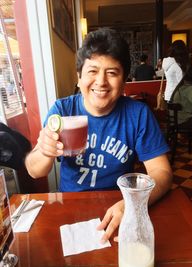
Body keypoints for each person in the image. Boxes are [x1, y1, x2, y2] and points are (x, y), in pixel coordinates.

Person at [25, 28, 172, 243]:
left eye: (112, 73)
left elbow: (162, 173)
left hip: (121, 206)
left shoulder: (137, 114)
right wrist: (45, 152)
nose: (101, 81)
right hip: (70, 204)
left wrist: (132, 205)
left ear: (124, 81)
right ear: (79, 77)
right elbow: (34, 170)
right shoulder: (62, 110)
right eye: (92, 71)